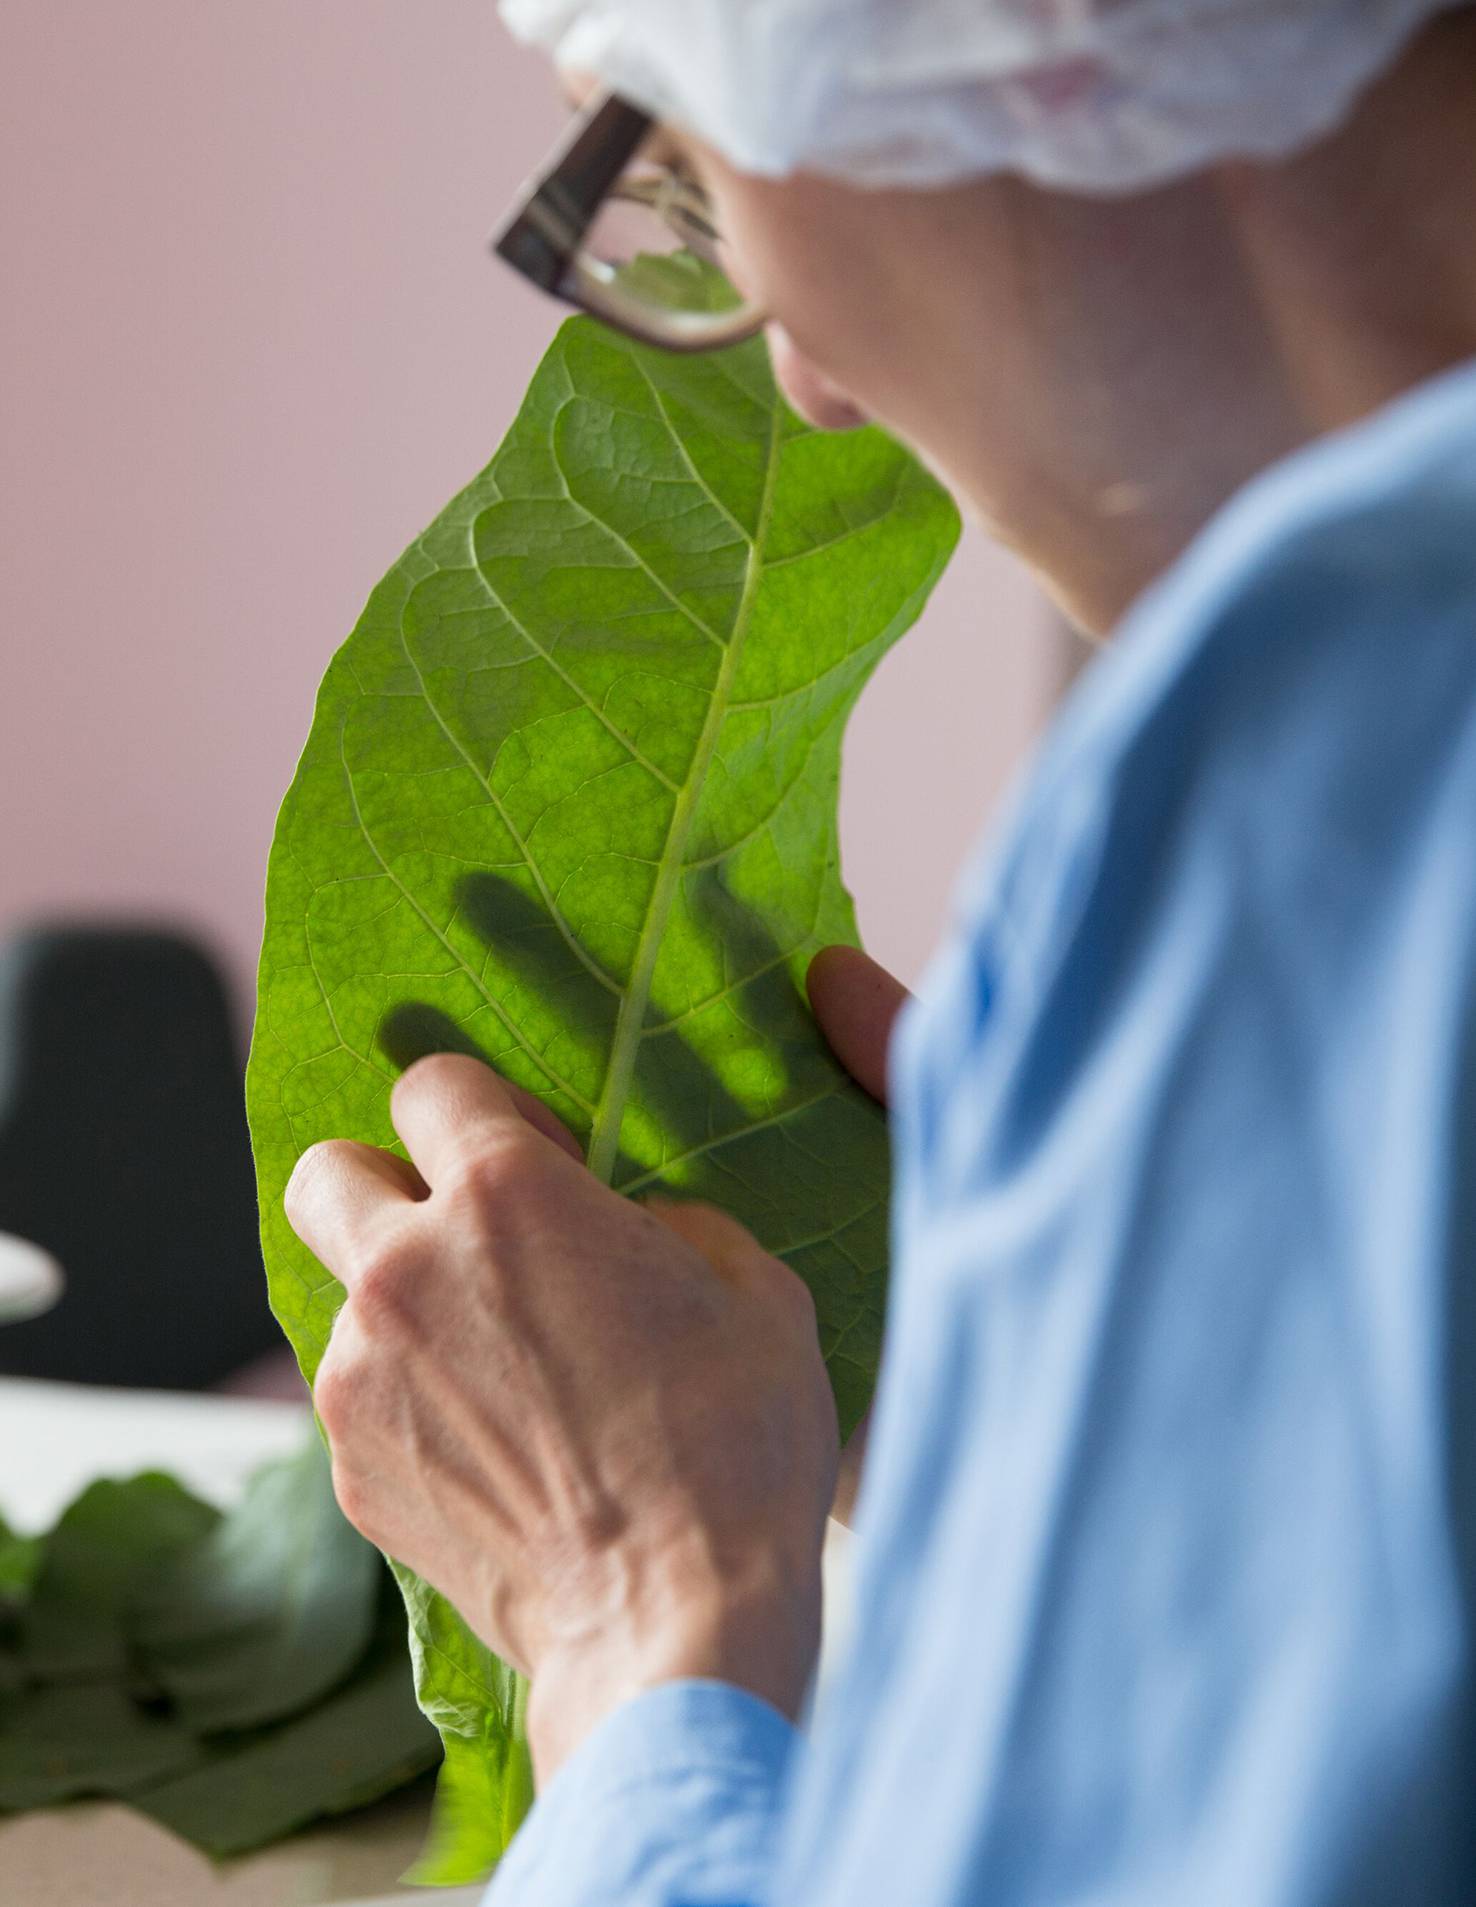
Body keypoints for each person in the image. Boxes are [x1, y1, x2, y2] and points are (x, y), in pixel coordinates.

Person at [281, 1, 1476, 1898]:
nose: (791, 364)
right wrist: (1084, 1439)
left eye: (669, 158)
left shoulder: (1311, 763)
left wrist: (629, 1615)